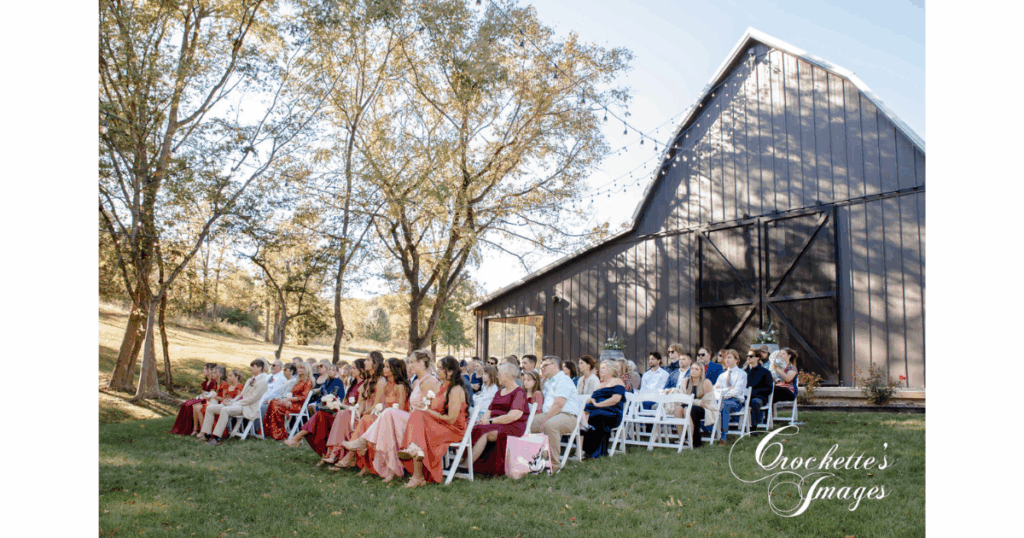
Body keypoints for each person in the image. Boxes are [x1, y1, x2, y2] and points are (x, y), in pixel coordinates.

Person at [349, 350, 440, 482]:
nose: (410, 365)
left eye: (413, 362)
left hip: (422, 423)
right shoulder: (416, 382)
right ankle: (392, 470)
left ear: (421, 363)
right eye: (410, 362)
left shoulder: (430, 381)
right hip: (412, 418)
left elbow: (432, 408)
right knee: (388, 421)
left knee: (389, 413)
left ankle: (364, 441)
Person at [397, 356, 469, 487]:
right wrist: (427, 409)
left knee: (419, 417)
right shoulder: (441, 387)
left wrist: (429, 412)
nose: (437, 370)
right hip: (440, 424)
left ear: (451, 371)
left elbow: (451, 419)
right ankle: (417, 467)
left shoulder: (455, 389)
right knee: (417, 416)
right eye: (438, 367)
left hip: (453, 429)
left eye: (441, 368)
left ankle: (416, 468)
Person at [344, 357, 411, 476]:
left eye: (386, 367)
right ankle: (364, 462)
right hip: (385, 416)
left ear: (394, 370)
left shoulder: (400, 386)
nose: (383, 369)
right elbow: (380, 405)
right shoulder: (386, 385)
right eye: (384, 366)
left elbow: (399, 410)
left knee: (367, 420)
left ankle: (359, 448)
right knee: (366, 419)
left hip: (398, 420)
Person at [470, 363, 528, 475]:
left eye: (499, 374)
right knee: (478, 427)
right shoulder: (499, 392)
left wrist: (490, 421)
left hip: (511, 426)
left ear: (507, 375)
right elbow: (489, 410)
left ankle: (468, 464)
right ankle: (466, 461)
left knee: (483, 431)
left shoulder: (519, 393)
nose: (497, 376)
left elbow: (513, 416)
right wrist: (485, 420)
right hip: (496, 423)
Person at [332, 353, 388, 469]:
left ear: (375, 363)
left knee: (364, 419)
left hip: (376, 414)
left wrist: (363, 414)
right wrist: (358, 413)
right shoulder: (368, 381)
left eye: (368, 360)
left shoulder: (381, 381)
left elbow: (377, 405)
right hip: (366, 413)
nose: (365, 362)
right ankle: (336, 453)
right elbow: (361, 404)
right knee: (346, 415)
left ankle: (349, 456)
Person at [199, 359, 269, 445]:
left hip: (248, 407)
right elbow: (241, 395)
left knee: (225, 410)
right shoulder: (250, 379)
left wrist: (234, 403)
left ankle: (217, 438)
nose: (251, 368)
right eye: (251, 366)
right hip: (238, 404)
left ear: (260, 368)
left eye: (253, 366)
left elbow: (252, 399)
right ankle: (207, 434)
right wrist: (231, 401)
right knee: (210, 408)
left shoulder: (262, 382)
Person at [530, 355, 581, 472]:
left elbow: (559, 404)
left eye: (545, 366)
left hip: (568, 416)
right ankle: (531, 460)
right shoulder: (548, 382)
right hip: (551, 413)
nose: (542, 368)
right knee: (526, 423)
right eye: (541, 366)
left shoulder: (563, 380)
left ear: (555, 365)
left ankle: (553, 466)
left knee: (549, 425)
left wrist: (544, 420)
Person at [319, 358, 368, 466]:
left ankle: (333, 454)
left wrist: (341, 406)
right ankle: (330, 453)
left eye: (354, 368)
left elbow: (359, 407)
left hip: (355, 414)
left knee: (341, 415)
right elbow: (345, 401)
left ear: (362, 370)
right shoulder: (352, 383)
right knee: (326, 415)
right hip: (346, 412)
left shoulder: (364, 385)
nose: (352, 370)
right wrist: (337, 403)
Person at [580, 360, 627, 459]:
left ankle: (594, 452)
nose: (600, 370)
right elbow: (592, 399)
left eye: (603, 368)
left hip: (613, 412)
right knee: (586, 413)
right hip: (597, 409)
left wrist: (598, 405)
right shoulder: (600, 385)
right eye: (600, 368)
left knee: (596, 417)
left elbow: (615, 399)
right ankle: (585, 449)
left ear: (611, 369)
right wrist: (590, 400)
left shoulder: (617, 381)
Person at [264, 363, 313, 440]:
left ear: (306, 370)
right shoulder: (298, 380)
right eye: (298, 368)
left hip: (299, 405)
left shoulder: (308, 381)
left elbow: (302, 398)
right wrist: (288, 399)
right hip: (292, 402)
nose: (299, 370)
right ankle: (271, 431)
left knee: (276, 404)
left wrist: (288, 399)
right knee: (273, 402)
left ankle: (279, 433)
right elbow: (291, 393)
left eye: (302, 368)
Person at [171, 363, 220, 435]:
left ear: (210, 370)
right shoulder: (205, 382)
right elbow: (203, 393)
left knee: (192, 405)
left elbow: (209, 394)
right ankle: (193, 429)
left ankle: (200, 430)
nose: (203, 370)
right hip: (203, 398)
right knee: (186, 403)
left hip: (208, 400)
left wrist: (203, 396)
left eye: (205, 369)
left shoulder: (213, 382)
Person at [676, 362, 717, 448]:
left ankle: (691, 440)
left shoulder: (706, 383)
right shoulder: (685, 381)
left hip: (705, 409)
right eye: (692, 369)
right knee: (678, 409)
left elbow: (706, 402)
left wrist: (691, 401)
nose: (693, 371)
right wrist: (696, 401)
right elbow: (682, 398)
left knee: (688, 409)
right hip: (689, 406)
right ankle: (681, 439)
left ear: (701, 371)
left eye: (696, 369)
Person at [713, 349, 747, 446]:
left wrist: (724, 392)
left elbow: (737, 390)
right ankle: (713, 431)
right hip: (721, 400)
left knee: (724, 405)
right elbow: (715, 388)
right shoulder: (722, 376)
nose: (726, 360)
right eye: (725, 358)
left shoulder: (742, 374)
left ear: (736, 360)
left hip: (736, 402)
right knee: (708, 406)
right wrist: (726, 390)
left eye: (729, 357)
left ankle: (723, 436)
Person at [744, 347, 774, 433]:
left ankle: (753, 428)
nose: (748, 358)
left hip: (759, 397)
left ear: (757, 358)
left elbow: (769, 389)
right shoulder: (744, 372)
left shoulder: (765, 372)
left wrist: (754, 392)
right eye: (747, 356)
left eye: (751, 356)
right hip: (744, 397)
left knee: (755, 402)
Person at [192, 366, 229, 435]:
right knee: (196, 406)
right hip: (213, 402)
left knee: (199, 408)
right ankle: (196, 429)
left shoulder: (224, 384)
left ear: (220, 375)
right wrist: (207, 396)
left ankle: (203, 432)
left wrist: (214, 396)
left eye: (214, 373)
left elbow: (224, 399)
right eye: (212, 373)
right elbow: (211, 394)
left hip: (220, 404)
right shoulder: (216, 384)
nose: (212, 375)